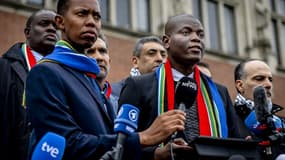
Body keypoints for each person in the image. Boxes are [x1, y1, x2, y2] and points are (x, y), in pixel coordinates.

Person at [25, 0, 187, 159]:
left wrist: (155, 154)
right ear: (60, 22)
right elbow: (66, 144)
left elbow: (108, 143)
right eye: (82, 14)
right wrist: (143, 138)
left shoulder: (87, 76)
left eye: (96, 16)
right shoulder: (45, 72)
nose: (91, 22)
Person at [118, 14, 244, 159]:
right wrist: (156, 154)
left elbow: (235, 145)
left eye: (200, 35)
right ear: (166, 41)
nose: (196, 38)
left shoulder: (220, 92)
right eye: (186, 32)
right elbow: (120, 145)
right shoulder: (138, 85)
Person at [0, 9, 58, 160]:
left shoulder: (67, 73)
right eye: (44, 24)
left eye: (56, 26)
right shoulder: (4, 68)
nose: (52, 28)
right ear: (27, 32)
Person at [233, 59, 284, 159]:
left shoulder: (280, 122)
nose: (268, 85)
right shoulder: (227, 118)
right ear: (240, 85)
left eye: (270, 79)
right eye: (259, 79)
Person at [112, 35, 167, 112]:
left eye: (163, 55)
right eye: (151, 53)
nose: (160, 59)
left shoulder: (172, 90)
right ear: (135, 62)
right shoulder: (114, 93)